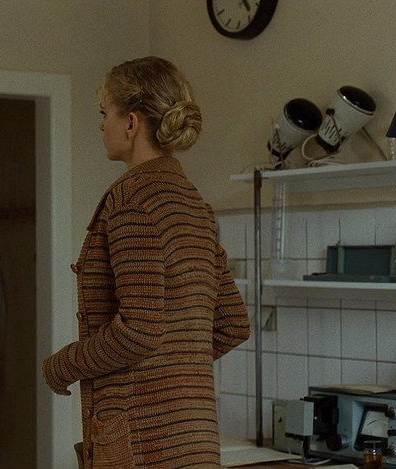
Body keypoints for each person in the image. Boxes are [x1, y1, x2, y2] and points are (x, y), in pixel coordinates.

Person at [41, 57, 250, 468]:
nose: (101, 125)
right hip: (195, 441)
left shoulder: (133, 200)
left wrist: (63, 365)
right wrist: (172, 368)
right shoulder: (193, 203)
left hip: (143, 444)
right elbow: (232, 325)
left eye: (105, 113)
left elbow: (139, 332)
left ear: (131, 123)